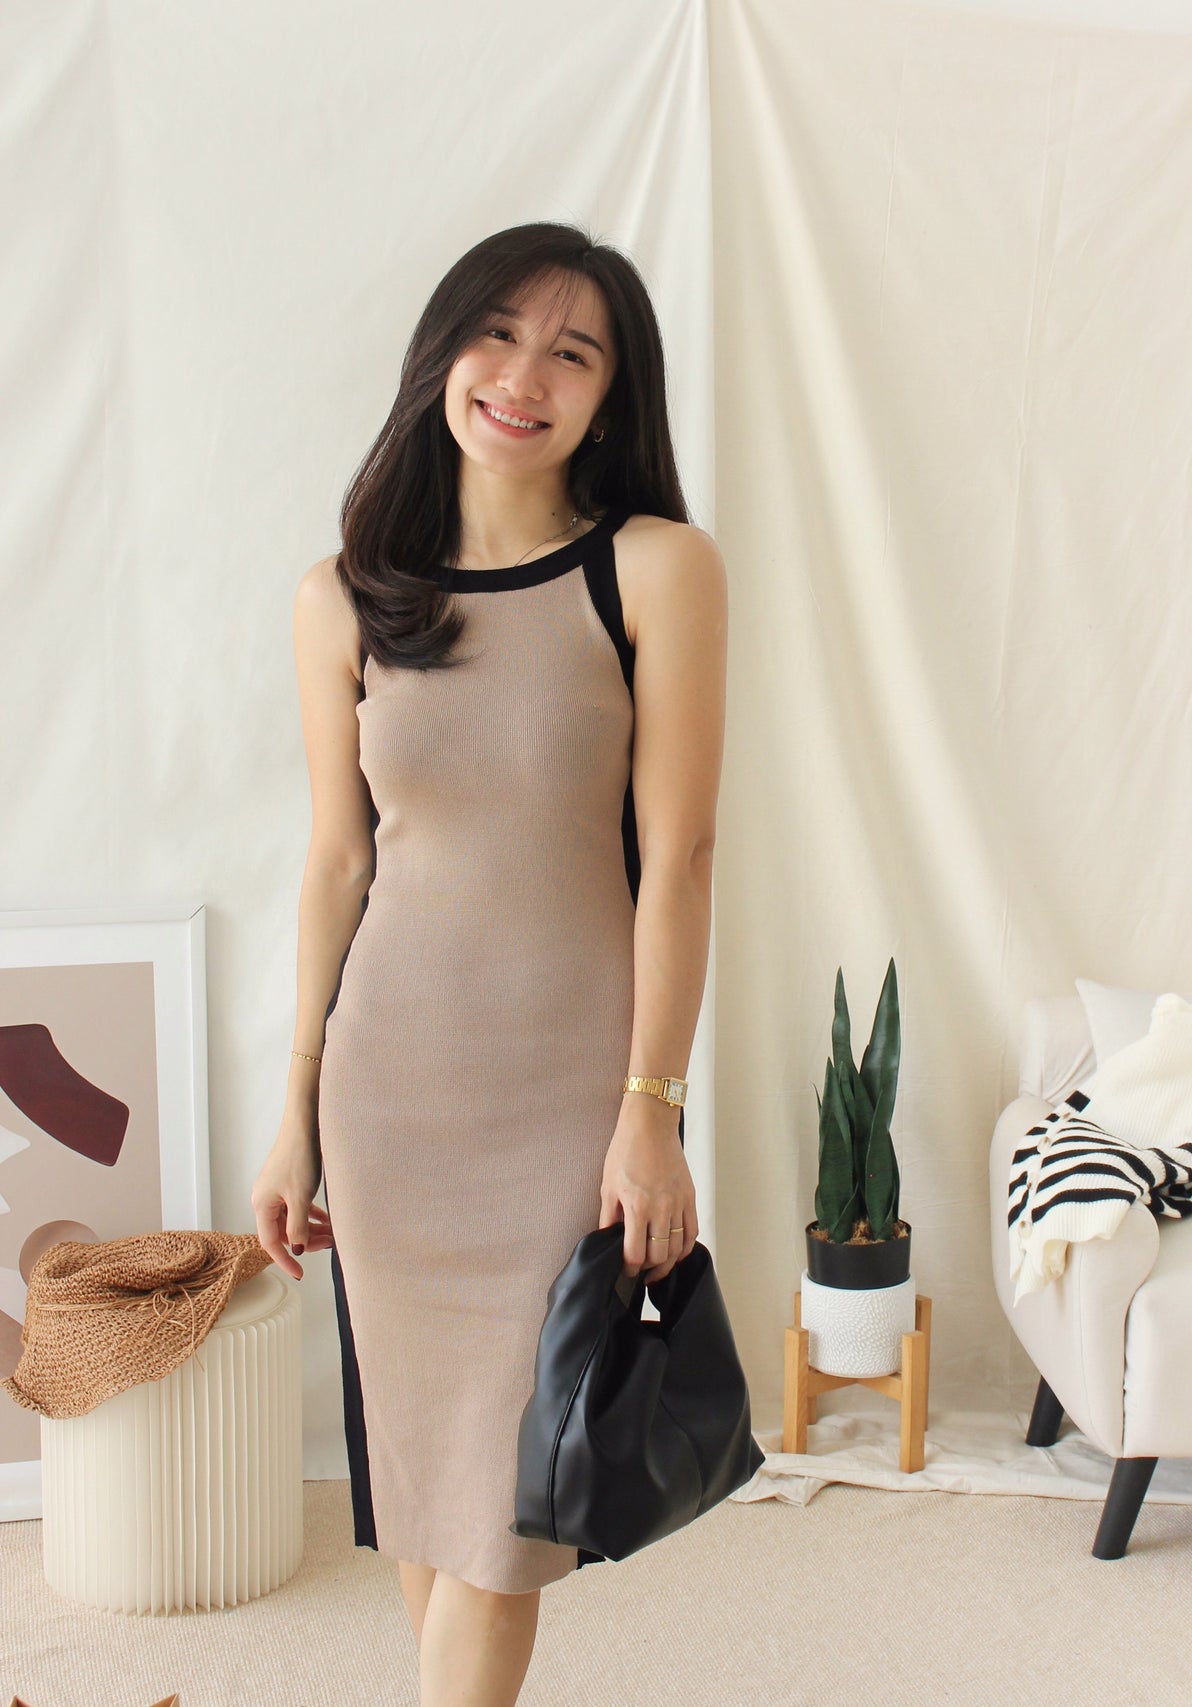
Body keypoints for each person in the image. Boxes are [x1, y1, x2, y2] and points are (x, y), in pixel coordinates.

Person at [250, 220, 727, 1707]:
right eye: (499, 334)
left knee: (505, 1520)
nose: (524, 377)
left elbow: (682, 860)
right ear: (443, 351)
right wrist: (294, 1111)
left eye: (572, 353)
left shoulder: (655, 570)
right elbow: (338, 865)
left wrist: (652, 1106)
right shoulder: (343, 597)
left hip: (567, 1103)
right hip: (390, 1098)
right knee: (430, 1485)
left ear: (611, 397)